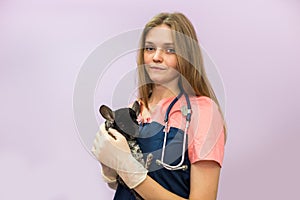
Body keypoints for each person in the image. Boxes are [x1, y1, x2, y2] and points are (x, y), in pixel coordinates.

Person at [91, 12, 226, 200]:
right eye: (149, 48)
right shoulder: (135, 110)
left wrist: (131, 172)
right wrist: (110, 168)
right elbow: (123, 187)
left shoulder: (203, 113)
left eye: (170, 50)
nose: (156, 57)